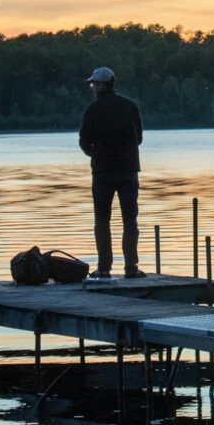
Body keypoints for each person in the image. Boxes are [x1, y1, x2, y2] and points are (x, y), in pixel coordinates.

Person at [78, 66, 145, 279]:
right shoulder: (130, 106)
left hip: (102, 172)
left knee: (102, 221)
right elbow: (139, 138)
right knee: (130, 220)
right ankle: (131, 268)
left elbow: (83, 141)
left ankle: (104, 268)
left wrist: (96, 155)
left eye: (92, 84)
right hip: (128, 171)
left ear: (100, 85)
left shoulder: (92, 110)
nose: (92, 88)